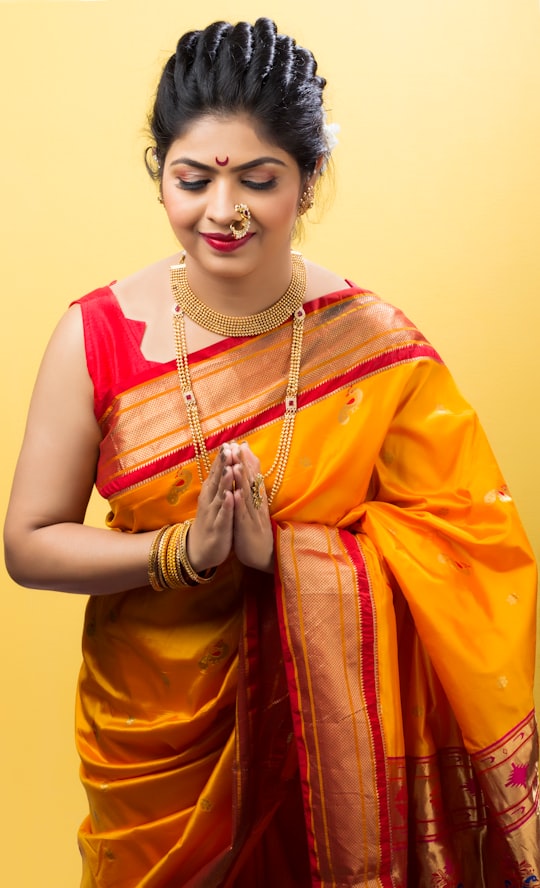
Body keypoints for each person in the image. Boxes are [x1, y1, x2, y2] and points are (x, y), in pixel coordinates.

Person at [4, 16, 539, 888]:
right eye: (191, 180)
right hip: (153, 736)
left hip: (323, 737)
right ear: (161, 173)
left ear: (308, 179)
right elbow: (28, 543)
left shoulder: (373, 346)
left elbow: (472, 557)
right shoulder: (94, 336)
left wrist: (276, 553)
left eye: (259, 179)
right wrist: (186, 552)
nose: (223, 212)